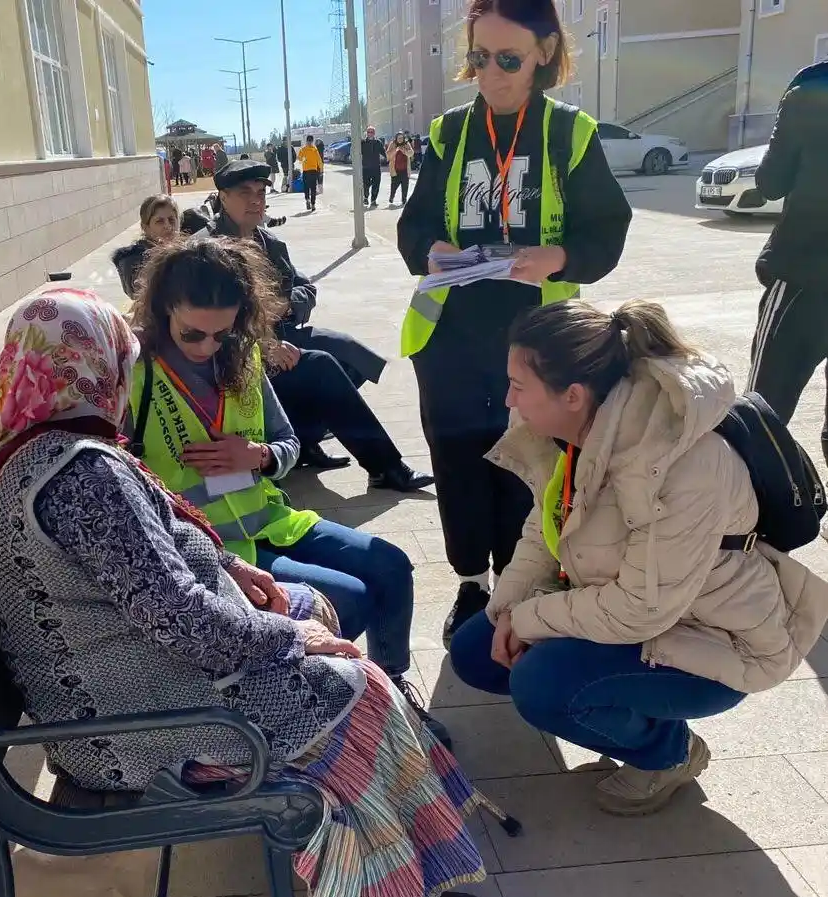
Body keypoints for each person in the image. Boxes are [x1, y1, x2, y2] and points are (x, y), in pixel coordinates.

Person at [0, 287, 495, 897]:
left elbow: (153, 566)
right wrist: (286, 639)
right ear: (92, 362)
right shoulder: (83, 473)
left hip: (119, 686)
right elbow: (182, 620)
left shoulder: (36, 445)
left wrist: (228, 567)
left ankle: (399, 838)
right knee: (354, 690)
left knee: (311, 607)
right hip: (121, 726)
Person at [448, 299, 828, 815]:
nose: (508, 397)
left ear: (573, 395)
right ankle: (632, 703)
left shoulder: (680, 464)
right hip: (640, 605)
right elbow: (544, 528)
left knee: (540, 683)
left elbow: (638, 609)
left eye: (519, 386)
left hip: (716, 635)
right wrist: (507, 607)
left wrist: (529, 618)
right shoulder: (579, 432)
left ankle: (669, 753)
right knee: (477, 650)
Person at [129, 235, 452, 748]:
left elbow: (288, 446)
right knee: (352, 598)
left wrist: (256, 456)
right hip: (220, 551)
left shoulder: (241, 357)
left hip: (271, 520)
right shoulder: (136, 376)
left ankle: (392, 691)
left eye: (223, 332)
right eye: (194, 334)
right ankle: (329, 710)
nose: (209, 346)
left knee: (391, 564)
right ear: (164, 306)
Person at [397, 0, 632, 647]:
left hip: (539, 338)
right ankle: (471, 582)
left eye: (508, 59)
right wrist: (429, 251)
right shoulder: (447, 134)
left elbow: (606, 229)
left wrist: (555, 256)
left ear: (544, 54)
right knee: (458, 458)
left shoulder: (569, 133)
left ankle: (517, 582)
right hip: (449, 334)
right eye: (478, 58)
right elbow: (413, 224)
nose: (492, 74)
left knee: (528, 463)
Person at [200, 160, 433, 490]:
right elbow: (203, 323)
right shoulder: (207, 251)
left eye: (261, 192)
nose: (256, 200)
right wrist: (262, 345)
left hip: (282, 334)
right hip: (232, 356)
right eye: (244, 193)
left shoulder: (269, 243)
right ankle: (386, 466)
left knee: (351, 356)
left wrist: (286, 304)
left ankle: (303, 439)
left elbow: (305, 287)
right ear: (223, 198)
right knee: (321, 367)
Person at [745, 59, 828, 467]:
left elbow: (769, 183)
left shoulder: (810, 92)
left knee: (763, 414)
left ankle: (752, 525)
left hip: (804, 276)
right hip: (806, 274)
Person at [111, 194, 180, 300]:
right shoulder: (133, 260)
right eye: (159, 221)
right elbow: (137, 292)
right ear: (145, 227)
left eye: (171, 219)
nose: (168, 226)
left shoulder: (186, 252)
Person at [298, 134, 324, 212]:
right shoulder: (314, 149)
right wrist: (321, 170)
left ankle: (308, 200)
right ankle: (312, 204)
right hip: (313, 171)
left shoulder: (303, 149)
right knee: (313, 188)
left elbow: (299, 158)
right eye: (309, 141)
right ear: (312, 141)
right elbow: (319, 160)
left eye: (310, 141)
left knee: (307, 187)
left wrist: (303, 159)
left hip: (307, 171)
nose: (309, 143)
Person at [361, 125, 385, 208]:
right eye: (368, 132)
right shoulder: (363, 142)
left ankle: (373, 200)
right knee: (366, 184)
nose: (370, 134)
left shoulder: (378, 142)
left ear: (374, 133)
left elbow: (383, 152)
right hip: (366, 167)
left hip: (376, 167)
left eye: (372, 132)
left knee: (376, 184)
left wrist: (389, 157)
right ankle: (366, 197)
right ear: (366, 133)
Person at [386, 132, 413, 206]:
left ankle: (404, 200)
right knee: (394, 186)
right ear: (396, 138)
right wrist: (396, 150)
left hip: (405, 170)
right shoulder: (392, 144)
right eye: (399, 138)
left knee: (405, 186)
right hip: (395, 170)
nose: (400, 140)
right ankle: (392, 197)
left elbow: (411, 153)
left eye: (402, 138)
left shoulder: (406, 144)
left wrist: (403, 150)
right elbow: (388, 155)